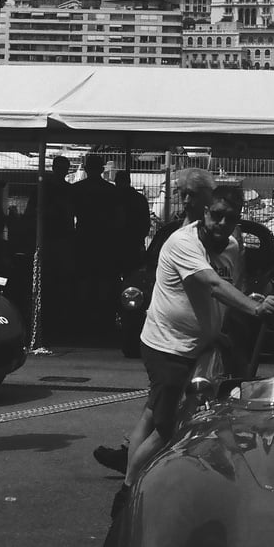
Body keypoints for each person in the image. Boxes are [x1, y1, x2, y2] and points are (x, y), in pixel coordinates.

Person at [110, 185, 274, 516]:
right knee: (166, 429)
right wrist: (255, 310)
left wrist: (223, 325)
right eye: (215, 215)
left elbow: (227, 290)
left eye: (229, 218)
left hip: (199, 345)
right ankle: (128, 492)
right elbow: (212, 284)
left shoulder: (231, 247)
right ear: (205, 213)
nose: (220, 223)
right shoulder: (182, 242)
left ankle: (141, 481)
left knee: (153, 414)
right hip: (168, 345)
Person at [93, 167, 216, 475]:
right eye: (183, 194)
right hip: (168, 340)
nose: (186, 200)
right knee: (163, 416)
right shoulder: (178, 235)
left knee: (159, 409)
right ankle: (134, 477)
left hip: (194, 339)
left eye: (192, 195)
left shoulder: (219, 236)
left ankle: (135, 459)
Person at [23, 155, 76, 338]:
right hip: (56, 238)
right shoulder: (61, 190)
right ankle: (54, 318)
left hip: (53, 238)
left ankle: (48, 318)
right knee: (55, 280)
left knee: (51, 280)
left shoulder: (47, 188)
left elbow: (30, 213)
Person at [71, 153, 120, 340]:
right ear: (101, 169)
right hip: (105, 240)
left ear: (85, 168)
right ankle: (104, 320)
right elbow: (118, 218)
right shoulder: (111, 190)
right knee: (104, 281)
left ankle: (83, 319)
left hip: (83, 237)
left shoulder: (76, 189)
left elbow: (70, 214)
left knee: (83, 280)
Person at [113, 171, 152, 276]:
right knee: (133, 275)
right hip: (135, 242)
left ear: (116, 181)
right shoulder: (139, 198)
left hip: (115, 243)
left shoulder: (113, 198)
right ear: (129, 181)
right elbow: (146, 223)